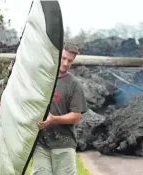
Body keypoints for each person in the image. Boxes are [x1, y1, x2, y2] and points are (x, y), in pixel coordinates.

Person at [30, 42, 88, 175]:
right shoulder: (42, 78)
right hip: (40, 143)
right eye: (63, 58)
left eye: (70, 61)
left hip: (64, 143)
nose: (66, 63)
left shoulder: (74, 84)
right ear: (57, 55)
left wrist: (53, 119)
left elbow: (75, 115)